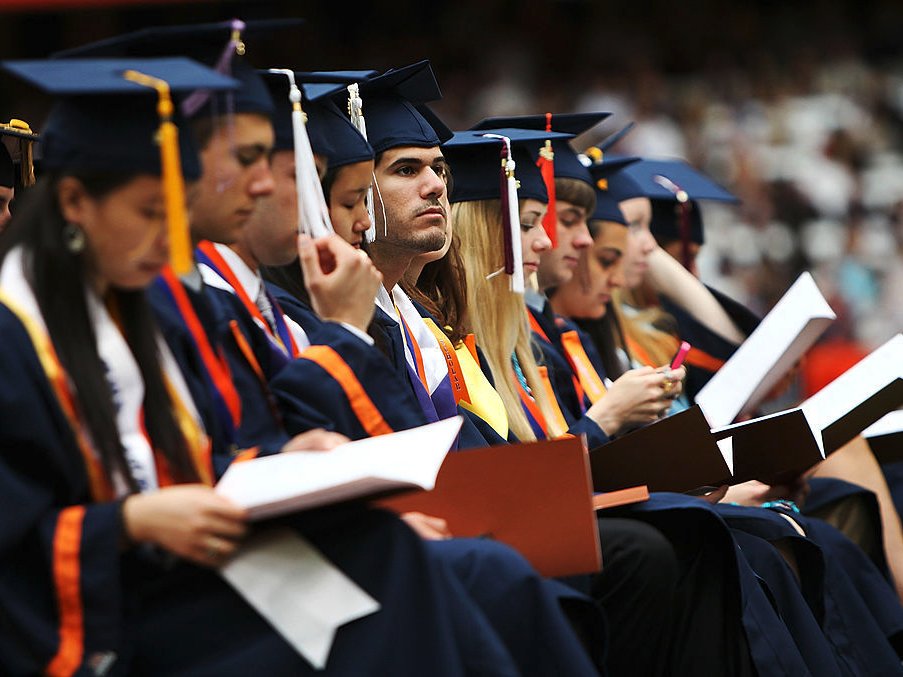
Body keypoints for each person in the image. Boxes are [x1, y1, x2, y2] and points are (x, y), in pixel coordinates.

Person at [0, 54, 533, 677]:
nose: (170, 237)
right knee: (403, 587)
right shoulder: (22, 331)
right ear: (73, 203)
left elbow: (194, 459)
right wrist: (129, 522)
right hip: (104, 612)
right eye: (151, 213)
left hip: (189, 572)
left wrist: (283, 465)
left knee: (406, 557)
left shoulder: (132, 308)